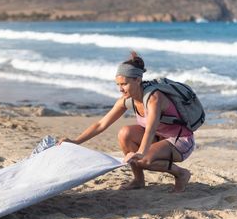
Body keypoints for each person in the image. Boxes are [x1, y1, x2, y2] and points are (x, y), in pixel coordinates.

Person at [58, 51, 193, 192]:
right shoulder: (127, 100)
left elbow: (150, 129)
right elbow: (101, 124)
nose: (120, 89)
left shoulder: (154, 98)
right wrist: (76, 141)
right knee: (125, 133)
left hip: (180, 141)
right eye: (118, 84)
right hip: (158, 138)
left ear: (137, 80)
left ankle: (181, 174)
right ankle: (138, 180)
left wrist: (140, 152)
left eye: (124, 84)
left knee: (142, 160)